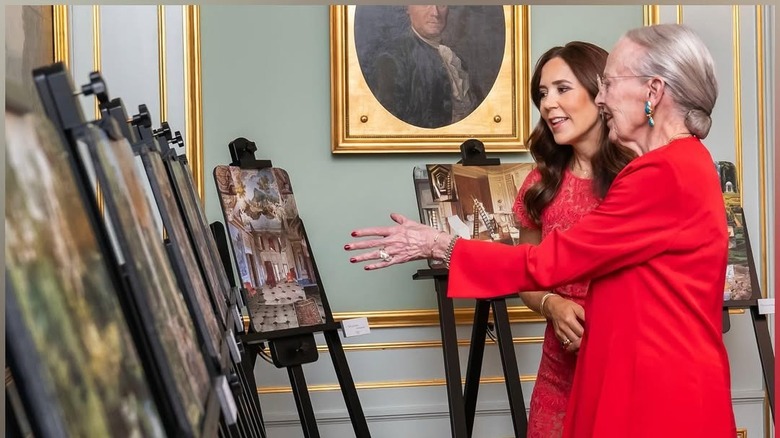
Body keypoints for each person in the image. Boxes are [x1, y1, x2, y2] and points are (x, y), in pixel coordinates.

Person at [345, 23, 735, 437]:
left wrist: (442, 245)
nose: (601, 97)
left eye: (609, 83)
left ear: (653, 92)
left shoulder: (663, 172)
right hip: (646, 383)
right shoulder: (682, 163)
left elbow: (554, 260)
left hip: (659, 397)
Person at [512, 41, 635, 437]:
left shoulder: (638, 177)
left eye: (562, 89)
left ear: (600, 93)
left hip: (627, 368)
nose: (548, 104)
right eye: (543, 94)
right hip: (557, 377)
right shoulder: (540, 185)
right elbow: (525, 277)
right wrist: (553, 304)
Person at [368, 5, 481, 128]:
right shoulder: (392, 59)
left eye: (442, 4)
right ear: (408, 7)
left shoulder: (455, 59)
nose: (435, 13)